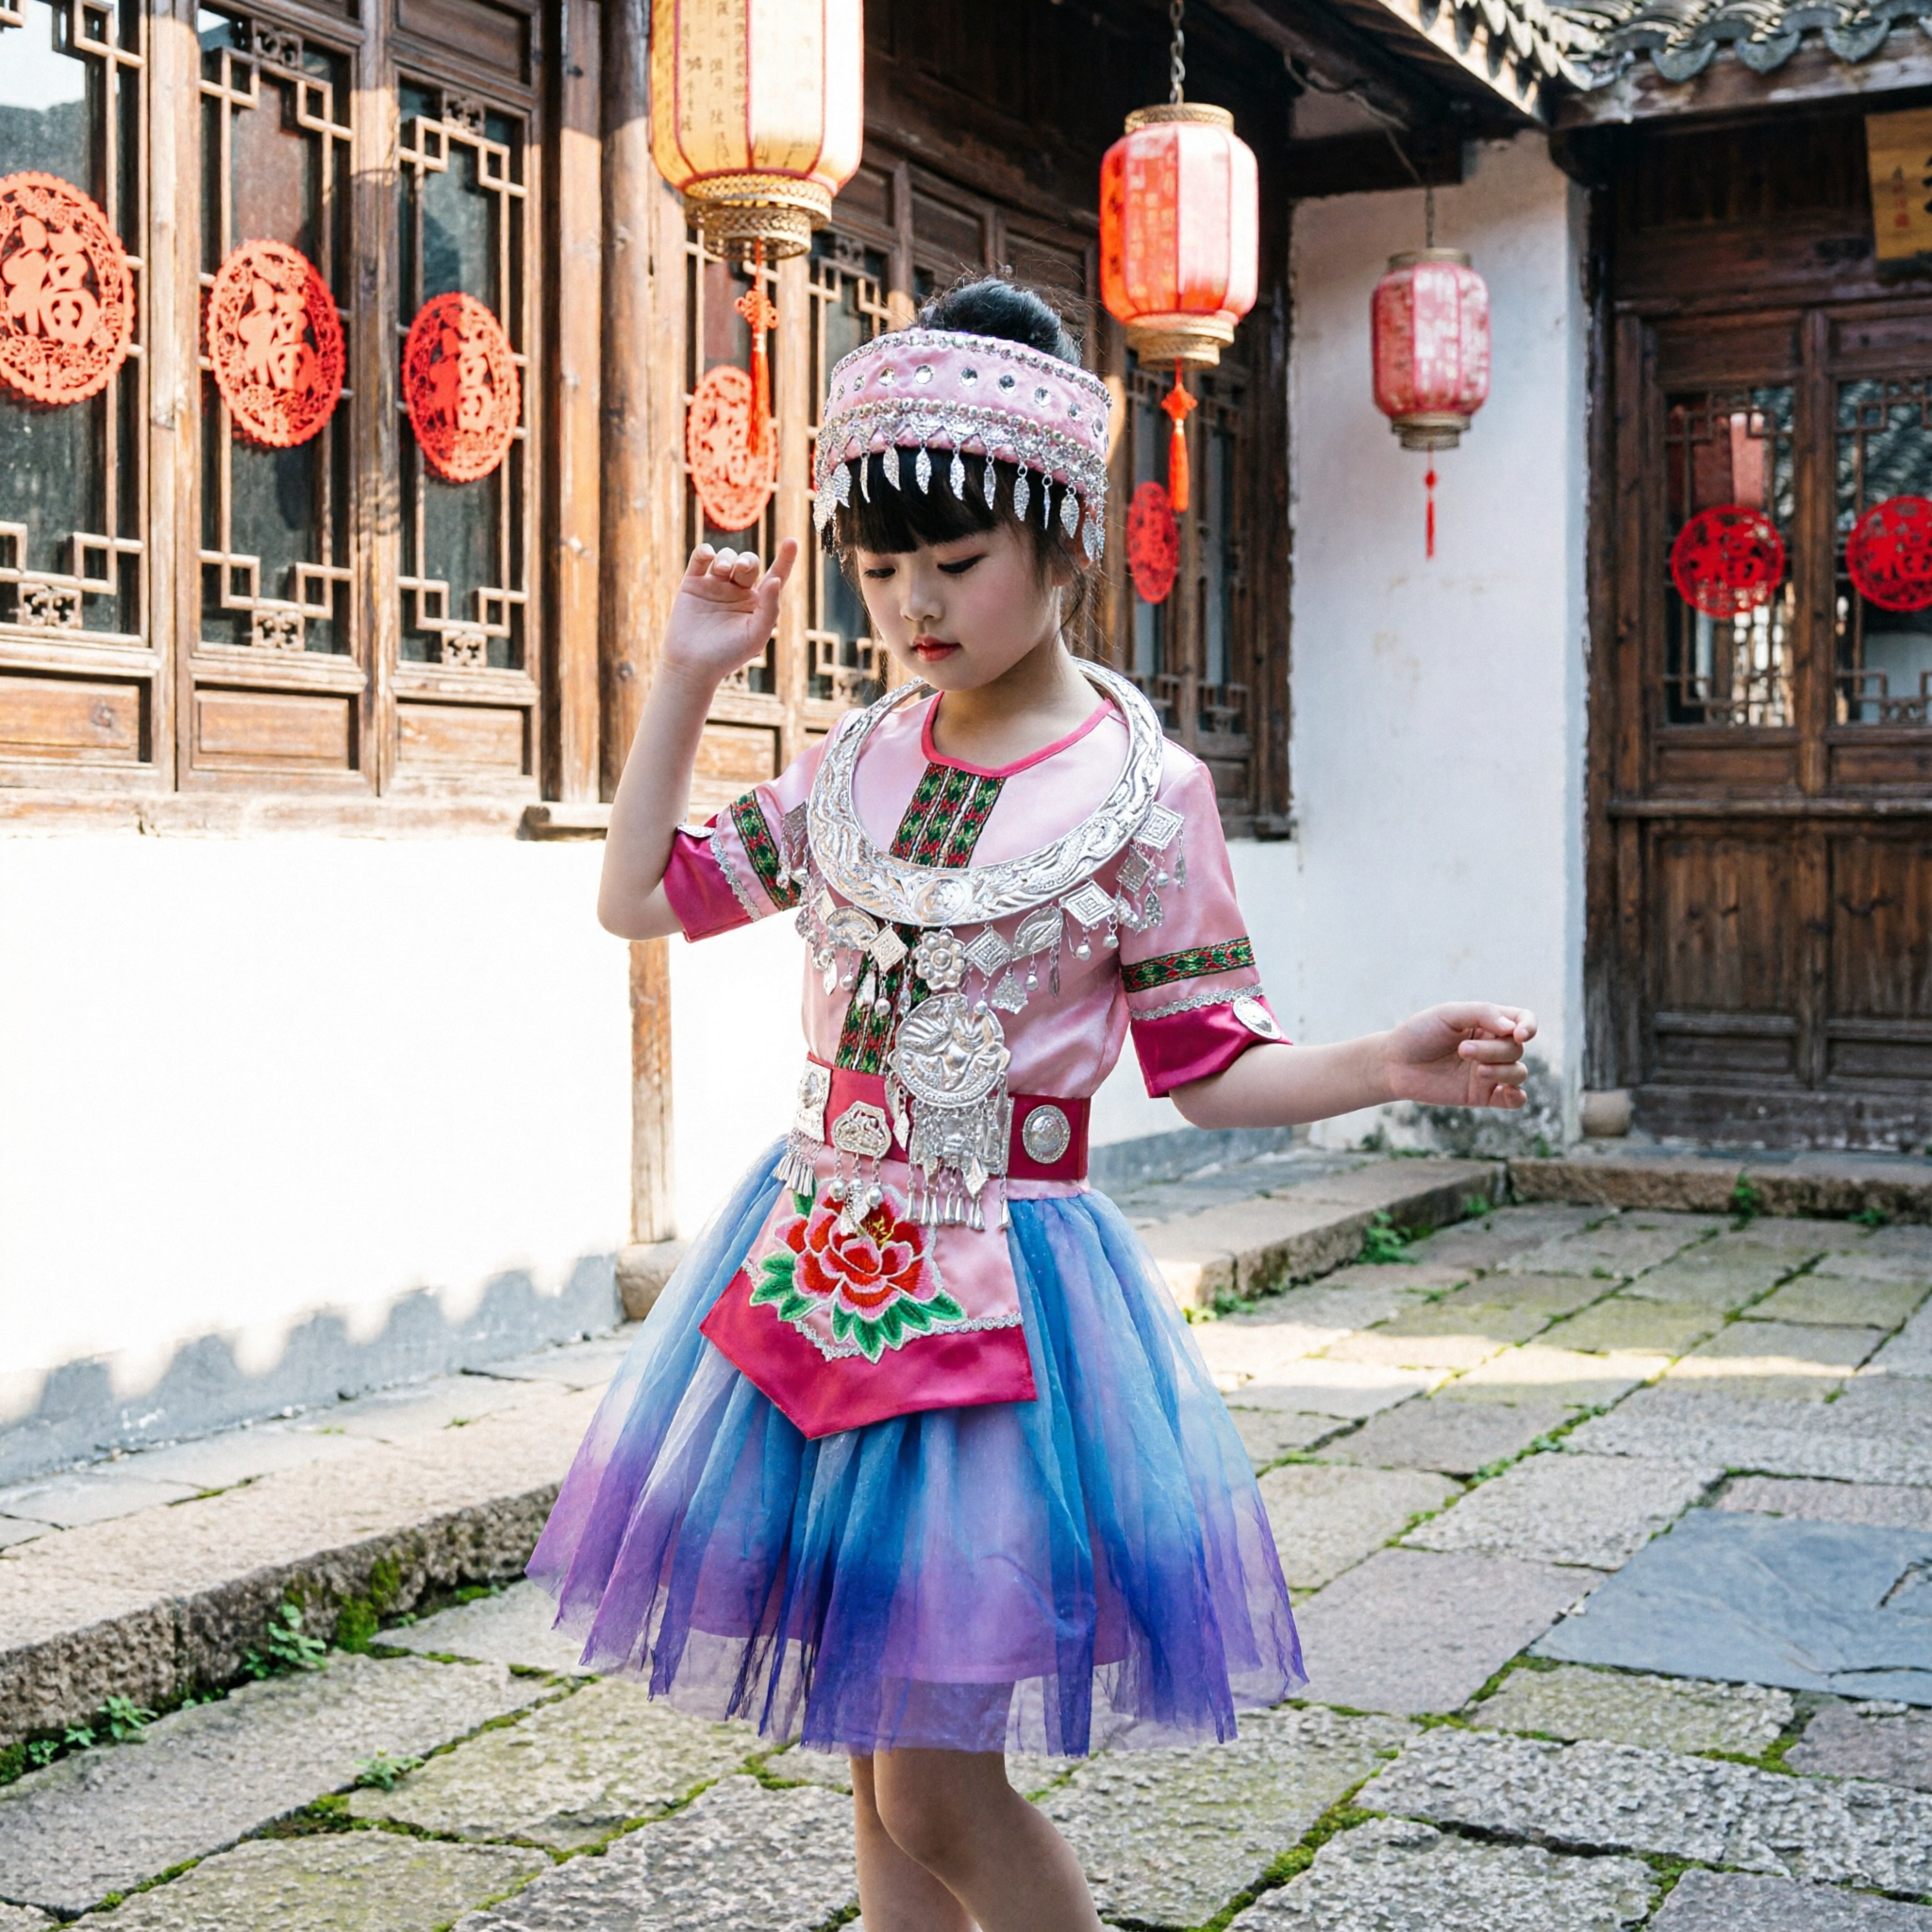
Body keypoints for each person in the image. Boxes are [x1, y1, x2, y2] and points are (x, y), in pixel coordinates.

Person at [528, 277, 1536, 1932]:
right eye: (877, 569)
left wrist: (1379, 1065)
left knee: (931, 1773)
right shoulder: (856, 761)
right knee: (867, 1752)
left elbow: (1208, 1070)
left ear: (1064, 541)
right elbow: (638, 898)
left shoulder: (1149, 793)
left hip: (1009, 1301)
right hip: (823, 1262)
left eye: (954, 561)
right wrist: (688, 675)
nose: (912, 603)